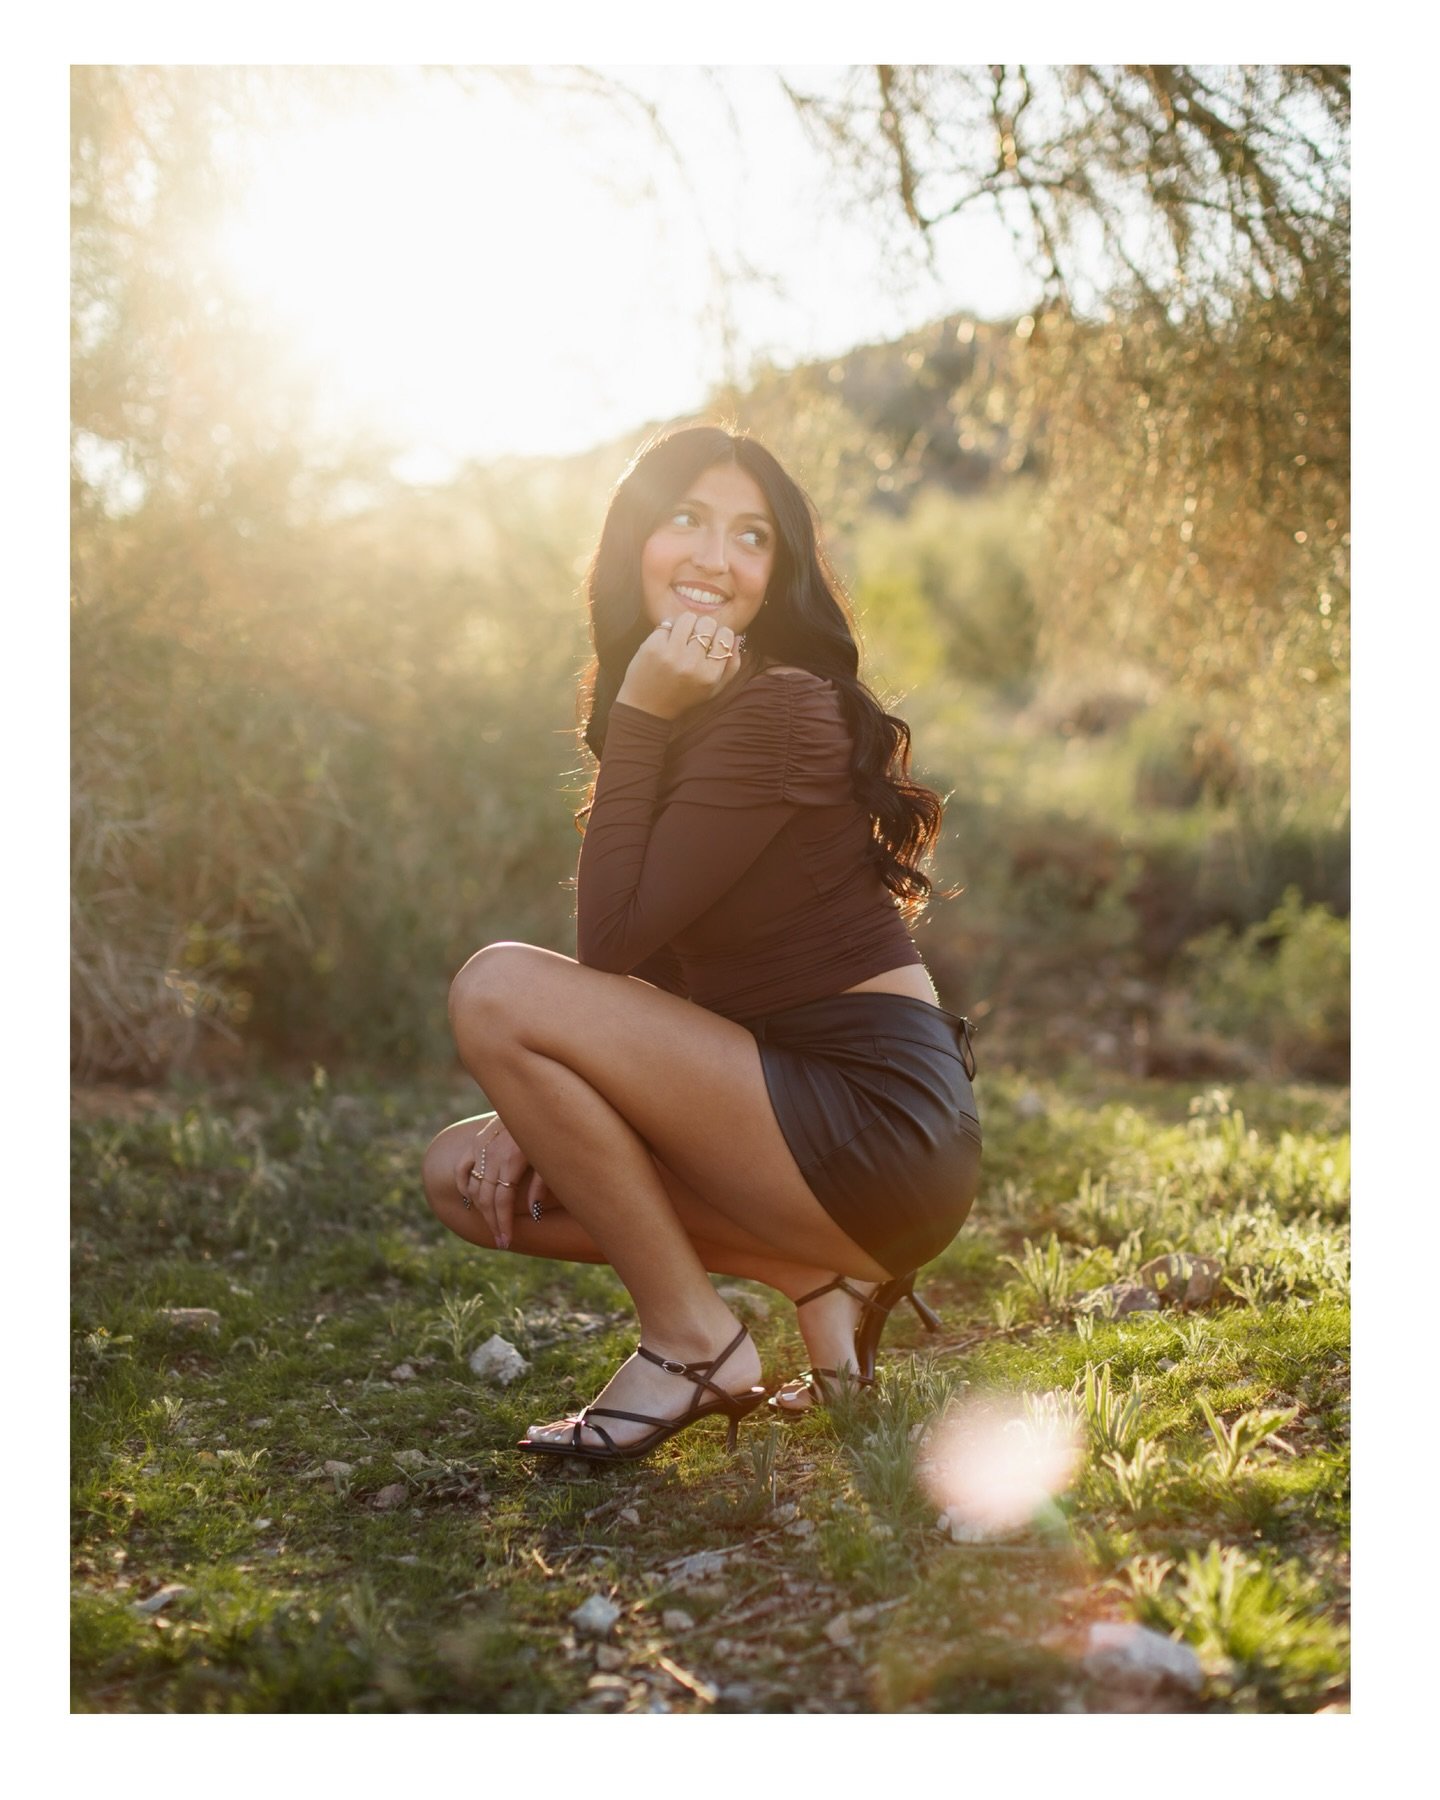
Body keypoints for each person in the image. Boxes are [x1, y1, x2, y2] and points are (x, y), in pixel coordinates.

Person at [422, 424, 981, 1462]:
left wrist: (638, 711)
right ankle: (818, 1276)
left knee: (497, 988)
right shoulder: (705, 708)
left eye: (752, 537)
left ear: (779, 573)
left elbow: (610, 942)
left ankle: (692, 1342)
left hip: (876, 1120)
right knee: (461, 1170)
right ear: (635, 538)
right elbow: (659, 967)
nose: (716, 558)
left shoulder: (778, 707)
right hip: (793, 1120)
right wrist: (535, 1110)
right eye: (686, 519)